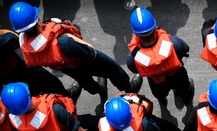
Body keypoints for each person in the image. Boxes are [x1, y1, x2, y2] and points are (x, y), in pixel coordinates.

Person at [9, 1, 142, 100]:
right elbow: (90, 52)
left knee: (84, 80)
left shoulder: (26, 48)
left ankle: (99, 90)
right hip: (81, 59)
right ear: (37, 20)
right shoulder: (63, 41)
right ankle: (128, 88)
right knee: (113, 69)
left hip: (65, 66)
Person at [0, 82, 102, 131]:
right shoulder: (55, 110)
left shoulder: (15, 122)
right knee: (96, 125)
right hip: (73, 129)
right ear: (28, 95)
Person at [126, 7, 194, 105]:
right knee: (184, 89)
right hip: (178, 76)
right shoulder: (174, 43)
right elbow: (185, 48)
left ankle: (162, 100)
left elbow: (135, 69)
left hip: (157, 82)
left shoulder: (133, 58)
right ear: (154, 27)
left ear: (136, 33)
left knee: (159, 94)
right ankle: (185, 97)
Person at [0, 28, 81, 101]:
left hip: (6, 78)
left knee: (24, 94)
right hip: (17, 69)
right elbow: (13, 38)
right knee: (49, 82)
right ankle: (67, 99)